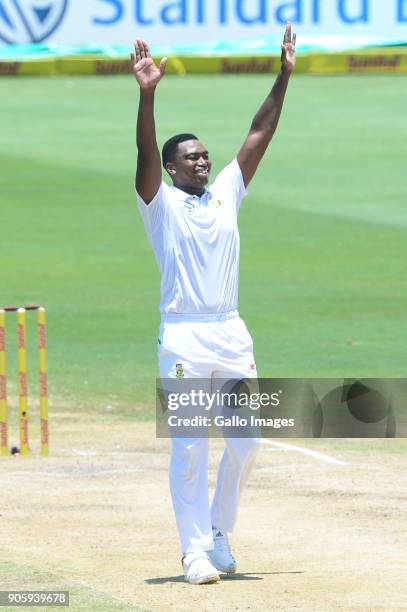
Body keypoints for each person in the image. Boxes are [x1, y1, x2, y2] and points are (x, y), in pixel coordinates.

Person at [132, 24, 296, 584]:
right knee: (189, 448)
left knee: (248, 442)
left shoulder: (226, 191)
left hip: (230, 332)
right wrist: (147, 95)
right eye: (191, 158)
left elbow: (257, 134)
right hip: (182, 335)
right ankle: (194, 552)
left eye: (204, 155)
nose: (202, 162)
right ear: (172, 168)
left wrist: (283, 78)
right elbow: (145, 155)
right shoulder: (160, 204)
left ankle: (220, 534)